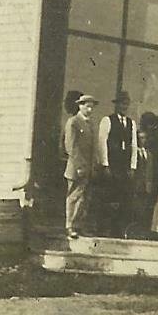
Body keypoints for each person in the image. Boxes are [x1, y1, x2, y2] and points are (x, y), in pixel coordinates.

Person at [98, 91, 138, 237]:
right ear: (116, 105)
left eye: (126, 104)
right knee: (109, 196)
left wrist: (132, 166)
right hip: (112, 164)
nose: (124, 106)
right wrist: (105, 164)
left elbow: (133, 145)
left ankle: (118, 229)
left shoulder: (131, 123)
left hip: (124, 166)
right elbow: (102, 143)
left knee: (123, 198)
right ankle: (104, 228)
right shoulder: (107, 120)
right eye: (121, 103)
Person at [63, 94, 99, 239]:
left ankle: (79, 226)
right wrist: (79, 166)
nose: (89, 109)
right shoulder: (73, 122)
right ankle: (70, 226)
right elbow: (71, 146)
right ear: (80, 106)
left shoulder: (90, 124)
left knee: (84, 198)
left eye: (91, 107)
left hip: (88, 168)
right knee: (74, 197)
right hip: (76, 168)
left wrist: (92, 166)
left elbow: (92, 148)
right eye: (86, 106)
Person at [130, 130, 155, 234]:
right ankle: (133, 228)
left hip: (146, 184)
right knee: (136, 206)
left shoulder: (149, 153)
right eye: (140, 138)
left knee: (144, 207)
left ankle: (142, 229)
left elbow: (150, 171)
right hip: (137, 183)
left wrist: (149, 183)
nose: (142, 140)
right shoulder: (133, 153)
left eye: (144, 138)